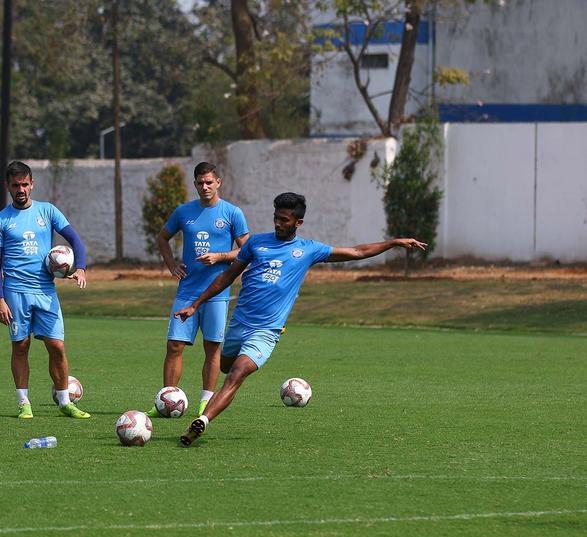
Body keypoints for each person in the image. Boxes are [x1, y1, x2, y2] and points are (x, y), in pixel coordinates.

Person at [176, 192, 426, 446]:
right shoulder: (255, 244)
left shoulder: (308, 250)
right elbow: (227, 277)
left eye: (284, 219)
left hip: (266, 331)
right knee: (226, 366)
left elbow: (356, 251)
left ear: (298, 223)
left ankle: (203, 421)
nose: (278, 223)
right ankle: (210, 407)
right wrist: (195, 304)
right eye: (276, 218)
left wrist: (393, 242)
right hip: (240, 324)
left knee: (237, 374)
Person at [0, 161, 91, 419]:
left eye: (25, 184)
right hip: (15, 292)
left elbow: (76, 240)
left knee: (57, 346)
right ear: (8, 187)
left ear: (32, 184)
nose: (21, 189)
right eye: (15, 185)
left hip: (46, 291)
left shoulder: (48, 211)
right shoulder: (1, 220)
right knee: (20, 346)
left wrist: (80, 268)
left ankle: (65, 401)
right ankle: (24, 403)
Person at [147, 162, 248, 418]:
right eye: (200, 183)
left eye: (209, 182)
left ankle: (205, 401)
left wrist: (221, 256)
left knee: (212, 347)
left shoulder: (232, 213)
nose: (205, 187)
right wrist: (172, 265)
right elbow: (162, 238)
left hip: (217, 292)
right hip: (187, 290)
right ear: (194, 185)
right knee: (174, 346)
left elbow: (247, 251)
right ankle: (167, 399)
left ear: (218, 183)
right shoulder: (184, 212)